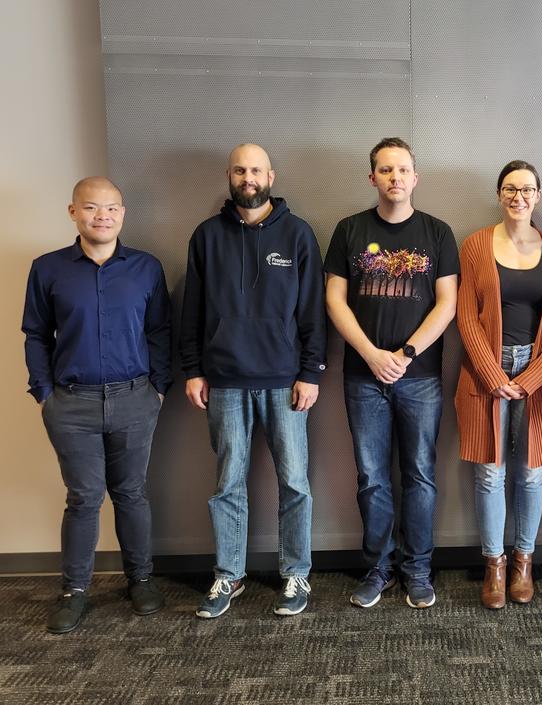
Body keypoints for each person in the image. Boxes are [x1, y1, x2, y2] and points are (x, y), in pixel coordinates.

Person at [180, 144, 326, 618]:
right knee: (228, 483)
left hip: (286, 382)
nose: (248, 177)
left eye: (256, 170)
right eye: (240, 169)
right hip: (223, 380)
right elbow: (192, 310)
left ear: (271, 176)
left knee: (296, 483)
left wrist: (310, 372)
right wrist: (193, 369)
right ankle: (229, 575)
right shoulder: (205, 236)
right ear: (229, 175)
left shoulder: (299, 235)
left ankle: (295, 573)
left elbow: (312, 314)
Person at [22, 176, 171, 633]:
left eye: (111, 208)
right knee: (83, 498)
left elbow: (160, 330)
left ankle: (140, 580)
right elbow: (35, 334)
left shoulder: (146, 268)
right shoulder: (48, 269)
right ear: (73, 212)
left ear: (122, 214)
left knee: (131, 494)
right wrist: (45, 392)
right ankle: (74, 590)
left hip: (134, 399)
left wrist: (158, 387)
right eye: (91, 208)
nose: (101, 215)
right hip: (72, 404)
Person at [325, 137, 458, 609]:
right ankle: (378, 568)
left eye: (402, 170)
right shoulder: (349, 230)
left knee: (420, 475)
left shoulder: (438, 233)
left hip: (420, 377)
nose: (395, 178)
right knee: (372, 479)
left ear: (415, 178)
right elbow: (334, 301)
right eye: (385, 170)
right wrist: (371, 354)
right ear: (373, 178)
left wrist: (403, 352)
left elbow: (448, 303)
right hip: (364, 379)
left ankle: (417, 569)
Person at [455, 160, 542, 609]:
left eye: (526, 189)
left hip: (537, 373)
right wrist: (493, 374)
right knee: (489, 473)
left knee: (531, 473)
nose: (518, 196)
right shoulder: (475, 245)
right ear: (499, 194)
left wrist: (535, 375)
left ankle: (524, 561)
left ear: (538, 195)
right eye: (509, 188)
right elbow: (465, 316)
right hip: (487, 373)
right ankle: (494, 565)